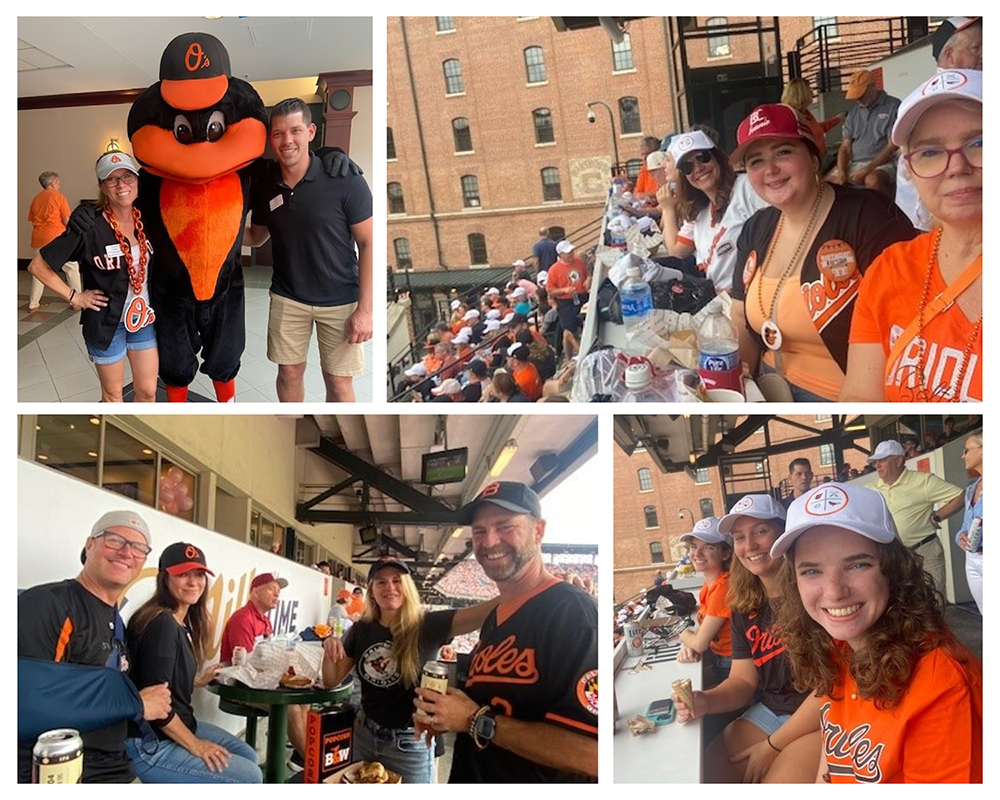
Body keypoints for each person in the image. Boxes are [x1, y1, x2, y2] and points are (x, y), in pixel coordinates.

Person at [771, 483, 982, 783]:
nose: (835, 592)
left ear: (893, 570)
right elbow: (831, 765)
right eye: (811, 571)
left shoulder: (942, 685)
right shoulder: (840, 644)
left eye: (857, 564)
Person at [413, 481, 598, 782]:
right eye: (479, 531)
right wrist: (446, 715)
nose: (490, 541)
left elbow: (594, 755)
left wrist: (475, 720)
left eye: (504, 526)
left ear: (538, 531)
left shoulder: (574, 613)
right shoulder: (494, 617)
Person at [729, 104, 916, 401]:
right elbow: (739, 315)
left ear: (813, 157)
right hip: (764, 389)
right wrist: (734, 390)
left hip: (839, 397)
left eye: (783, 152)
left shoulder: (869, 216)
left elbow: (908, 329)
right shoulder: (755, 227)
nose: (771, 170)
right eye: (756, 161)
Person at [673, 494, 820, 783]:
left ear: (784, 535)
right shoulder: (744, 604)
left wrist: (772, 745)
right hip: (772, 710)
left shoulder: (812, 592)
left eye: (761, 532)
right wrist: (705, 702)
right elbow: (742, 682)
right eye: (739, 537)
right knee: (703, 776)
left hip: (820, 716)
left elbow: (834, 686)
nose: (749, 546)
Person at [17, 510, 171, 783]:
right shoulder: (47, 604)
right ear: (90, 545)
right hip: (63, 773)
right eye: (114, 540)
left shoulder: (116, 619)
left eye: (138, 548)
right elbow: (23, 705)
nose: (126, 552)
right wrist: (136, 704)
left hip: (116, 765)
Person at [320, 558, 500, 784]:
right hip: (363, 735)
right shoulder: (361, 629)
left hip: (410, 743)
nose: (390, 588)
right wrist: (329, 647)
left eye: (397, 581)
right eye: (381, 582)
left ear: (408, 588)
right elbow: (330, 681)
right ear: (372, 591)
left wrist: (523, 586)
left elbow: (483, 612)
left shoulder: (429, 624)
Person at [246, 98, 373, 402]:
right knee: (288, 374)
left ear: (311, 131)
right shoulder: (267, 186)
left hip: (340, 298)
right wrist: (214, 233)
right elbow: (257, 236)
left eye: (295, 130)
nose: (286, 140)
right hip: (288, 297)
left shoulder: (344, 179)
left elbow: (369, 243)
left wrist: (365, 310)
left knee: (339, 382)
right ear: (270, 138)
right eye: (278, 133)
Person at [124, 542, 261, 783]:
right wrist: (196, 746)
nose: (193, 582)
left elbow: (158, 676)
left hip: (176, 726)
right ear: (164, 578)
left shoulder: (180, 621)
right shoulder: (162, 624)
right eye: (182, 574)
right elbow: (156, 706)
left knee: (247, 754)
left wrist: (197, 680)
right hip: (150, 741)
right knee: (250, 776)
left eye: (198, 574)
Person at [28, 152, 158, 402]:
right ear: (101, 186)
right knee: (112, 395)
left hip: (143, 319)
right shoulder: (88, 226)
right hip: (107, 324)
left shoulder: (149, 217)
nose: (121, 185)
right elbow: (38, 266)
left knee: (148, 391)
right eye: (111, 179)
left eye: (127, 177)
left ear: (137, 180)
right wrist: (74, 297)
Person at [895, 17, 982, 231]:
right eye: (977, 47)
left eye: (980, 143)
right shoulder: (917, 102)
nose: (957, 167)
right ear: (950, 55)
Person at [660, 130, 768, 292]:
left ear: (717, 157)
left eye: (703, 157)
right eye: (687, 166)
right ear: (684, 177)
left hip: (751, 296)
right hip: (718, 302)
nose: (698, 168)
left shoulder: (746, 187)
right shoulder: (700, 212)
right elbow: (676, 252)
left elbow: (782, 235)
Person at [865, 439, 964, 593]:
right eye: (875, 462)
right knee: (901, 606)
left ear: (898, 460)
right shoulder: (870, 490)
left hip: (925, 554)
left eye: (882, 460)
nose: (877, 465)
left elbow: (961, 496)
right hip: (893, 556)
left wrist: (937, 516)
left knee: (932, 603)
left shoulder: (923, 481)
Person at [676, 517, 733, 685]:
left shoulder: (724, 586)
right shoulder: (709, 585)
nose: (697, 554)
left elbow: (700, 643)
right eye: (694, 546)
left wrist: (684, 634)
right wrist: (691, 645)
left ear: (726, 553)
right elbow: (701, 634)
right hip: (720, 658)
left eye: (708, 547)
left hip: (731, 664)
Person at [834, 70, 901, 196]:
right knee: (826, 184)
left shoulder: (893, 105)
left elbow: (892, 145)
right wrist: (841, 172)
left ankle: (889, 213)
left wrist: (868, 168)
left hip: (883, 164)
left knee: (872, 180)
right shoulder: (854, 112)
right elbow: (845, 147)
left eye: (861, 94)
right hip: (854, 164)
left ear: (872, 87)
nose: (858, 99)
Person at [26, 170, 80, 312]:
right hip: (56, 238)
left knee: (39, 270)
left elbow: (33, 220)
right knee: (72, 268)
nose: (59, 184)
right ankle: (77, 301)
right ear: (53, 182)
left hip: (38, 238)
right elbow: (67, 220)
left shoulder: (36, 199)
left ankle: (33, 304)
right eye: (58, 181)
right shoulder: (59, 197)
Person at [545, 240, 589, 360]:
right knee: (568, 330)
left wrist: (588, 280)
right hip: (566, 302)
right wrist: (564, 290)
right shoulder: (554, 269)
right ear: (560, 255)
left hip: (582, 297)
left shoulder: (579, 262)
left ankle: (571, 356)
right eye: (568, 253)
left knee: (583, 325)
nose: (571, 254)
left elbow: (587, 274)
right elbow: (550, 290)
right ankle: (575, 354)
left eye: (571, 251)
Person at [956, 433, 983, 613]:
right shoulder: (972, 488)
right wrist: (961, 538)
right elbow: (964, 527)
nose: (963, 455)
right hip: (972, 559)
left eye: (966, 450)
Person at [780, 78, 843, 153]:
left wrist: (837, 119)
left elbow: (817, 129)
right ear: (802, 94)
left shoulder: (806, 113)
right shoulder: (792, 117)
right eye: (810, 91)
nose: (813, 94)